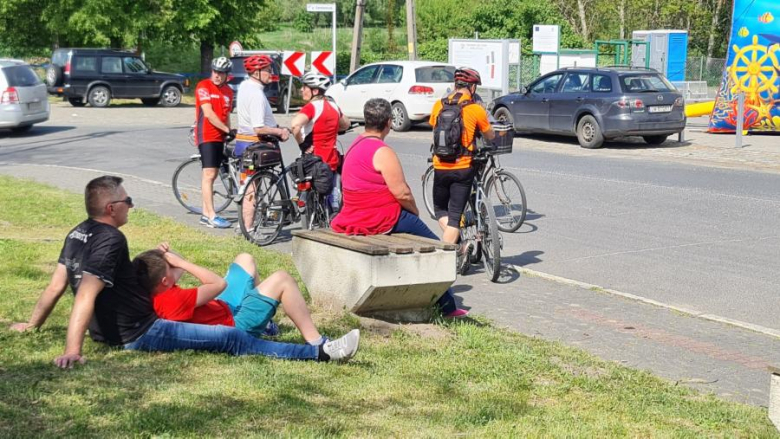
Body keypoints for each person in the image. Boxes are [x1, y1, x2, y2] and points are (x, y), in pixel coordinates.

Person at [10, 175, 360, 368]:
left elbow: (57, 285)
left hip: (121, 330)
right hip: (138, 332)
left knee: (233, 331)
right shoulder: (111, 239)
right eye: (128, 201)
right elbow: (85, 293)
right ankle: (317, 351)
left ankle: (300, 340)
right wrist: (73, 349)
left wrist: (33, 324)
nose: (132, 205)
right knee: (233, 339)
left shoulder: (77, 232)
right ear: (111, 207)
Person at [331, 98, 468, 318]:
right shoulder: (382, 152)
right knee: (437, 250)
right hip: (379, 216)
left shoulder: (355, 145)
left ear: (366, 121)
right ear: (389, 122)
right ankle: (448, 307)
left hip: (352, 214)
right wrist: (414, 212)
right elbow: (402, 192)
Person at [133, 247, 330, 345]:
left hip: (223, 308)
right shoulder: (174, 300)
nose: (176, 267)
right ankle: (315, 341)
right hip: (235, 325)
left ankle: (266, 323)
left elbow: (173, 273)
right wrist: (182, 264)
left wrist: (165, 256)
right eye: (171, 267)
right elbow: (219, 283)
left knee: (245, 259)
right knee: (282, 279)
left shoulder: (155, 291)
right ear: (165, 281)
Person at [429, 67, 495, 272]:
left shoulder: (439, 105)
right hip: (464, 168)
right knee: (455, 219)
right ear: (472, 87)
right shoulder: (475, 109)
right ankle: (447, 261)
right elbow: (490, 135)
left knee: (441, 210)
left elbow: (434, 128)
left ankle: (459, 247)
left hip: (440, 166)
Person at [290, 71, 351, 211]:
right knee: (334, 182)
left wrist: (303, 144)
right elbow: (346, 124)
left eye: (304, 87)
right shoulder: (334, 106)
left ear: (314, 90)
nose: (301, 90)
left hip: (312, 160)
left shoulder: (311, 107)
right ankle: (334, 204)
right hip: (330, 160)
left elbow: (295, 125)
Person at [194, 56, 236, 229]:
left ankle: (205, 213)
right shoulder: (203, 86)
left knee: (214, 174)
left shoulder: (228, 91)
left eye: (221, 73)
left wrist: (229, 131)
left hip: (220, 136)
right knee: (209, 174)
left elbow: (226, 115)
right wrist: (227, 130)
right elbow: (209, 114)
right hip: (207, 135)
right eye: (215, 71)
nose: (217, 75)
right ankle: (211, 215)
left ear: (227, 75)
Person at [235, 54, 290, 157]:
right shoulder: (256, 94)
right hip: (256, 145)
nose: (271, 73)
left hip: (244, 142)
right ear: (256, 73)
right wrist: (280, 132)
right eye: (268, 71)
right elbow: (258, 128)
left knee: (246, 174)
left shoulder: (244, 86)